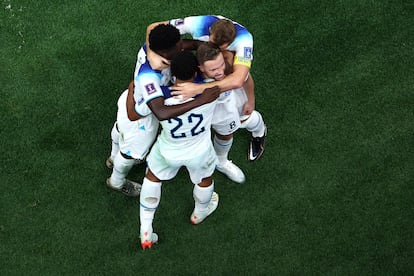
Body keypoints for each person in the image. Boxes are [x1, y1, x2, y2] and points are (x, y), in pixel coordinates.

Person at [106, 24, 217, 197]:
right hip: (139, 117)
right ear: (167, 51)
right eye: (179, 45)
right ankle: (116, 181)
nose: (183, 46)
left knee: (121, 130)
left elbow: (194, 45)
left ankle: (113, 158)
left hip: (135, 99)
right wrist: (202, 99)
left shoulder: (156, 49)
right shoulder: (150, 76)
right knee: (129, 153)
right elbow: (157, 112)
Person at [146, 15, 267, 163]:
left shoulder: (239, 47)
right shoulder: (198, 23)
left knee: (244, 118)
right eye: (212, 41)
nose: (214, 47)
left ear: (229, 44)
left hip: (227, 94)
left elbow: (240, 79)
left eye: (220, 47)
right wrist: (151, 54)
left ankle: (259, 132)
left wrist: (250, 100)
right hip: (208, 93)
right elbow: (153, 27)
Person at [140, 51, 221, 249]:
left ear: (172, 74)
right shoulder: (210, 91)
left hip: (169, 150)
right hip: (200, 150)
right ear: (196, 72)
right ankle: (199, 213)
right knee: (205, 179)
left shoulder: (162, 97)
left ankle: (146, 229)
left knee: (152, 178)